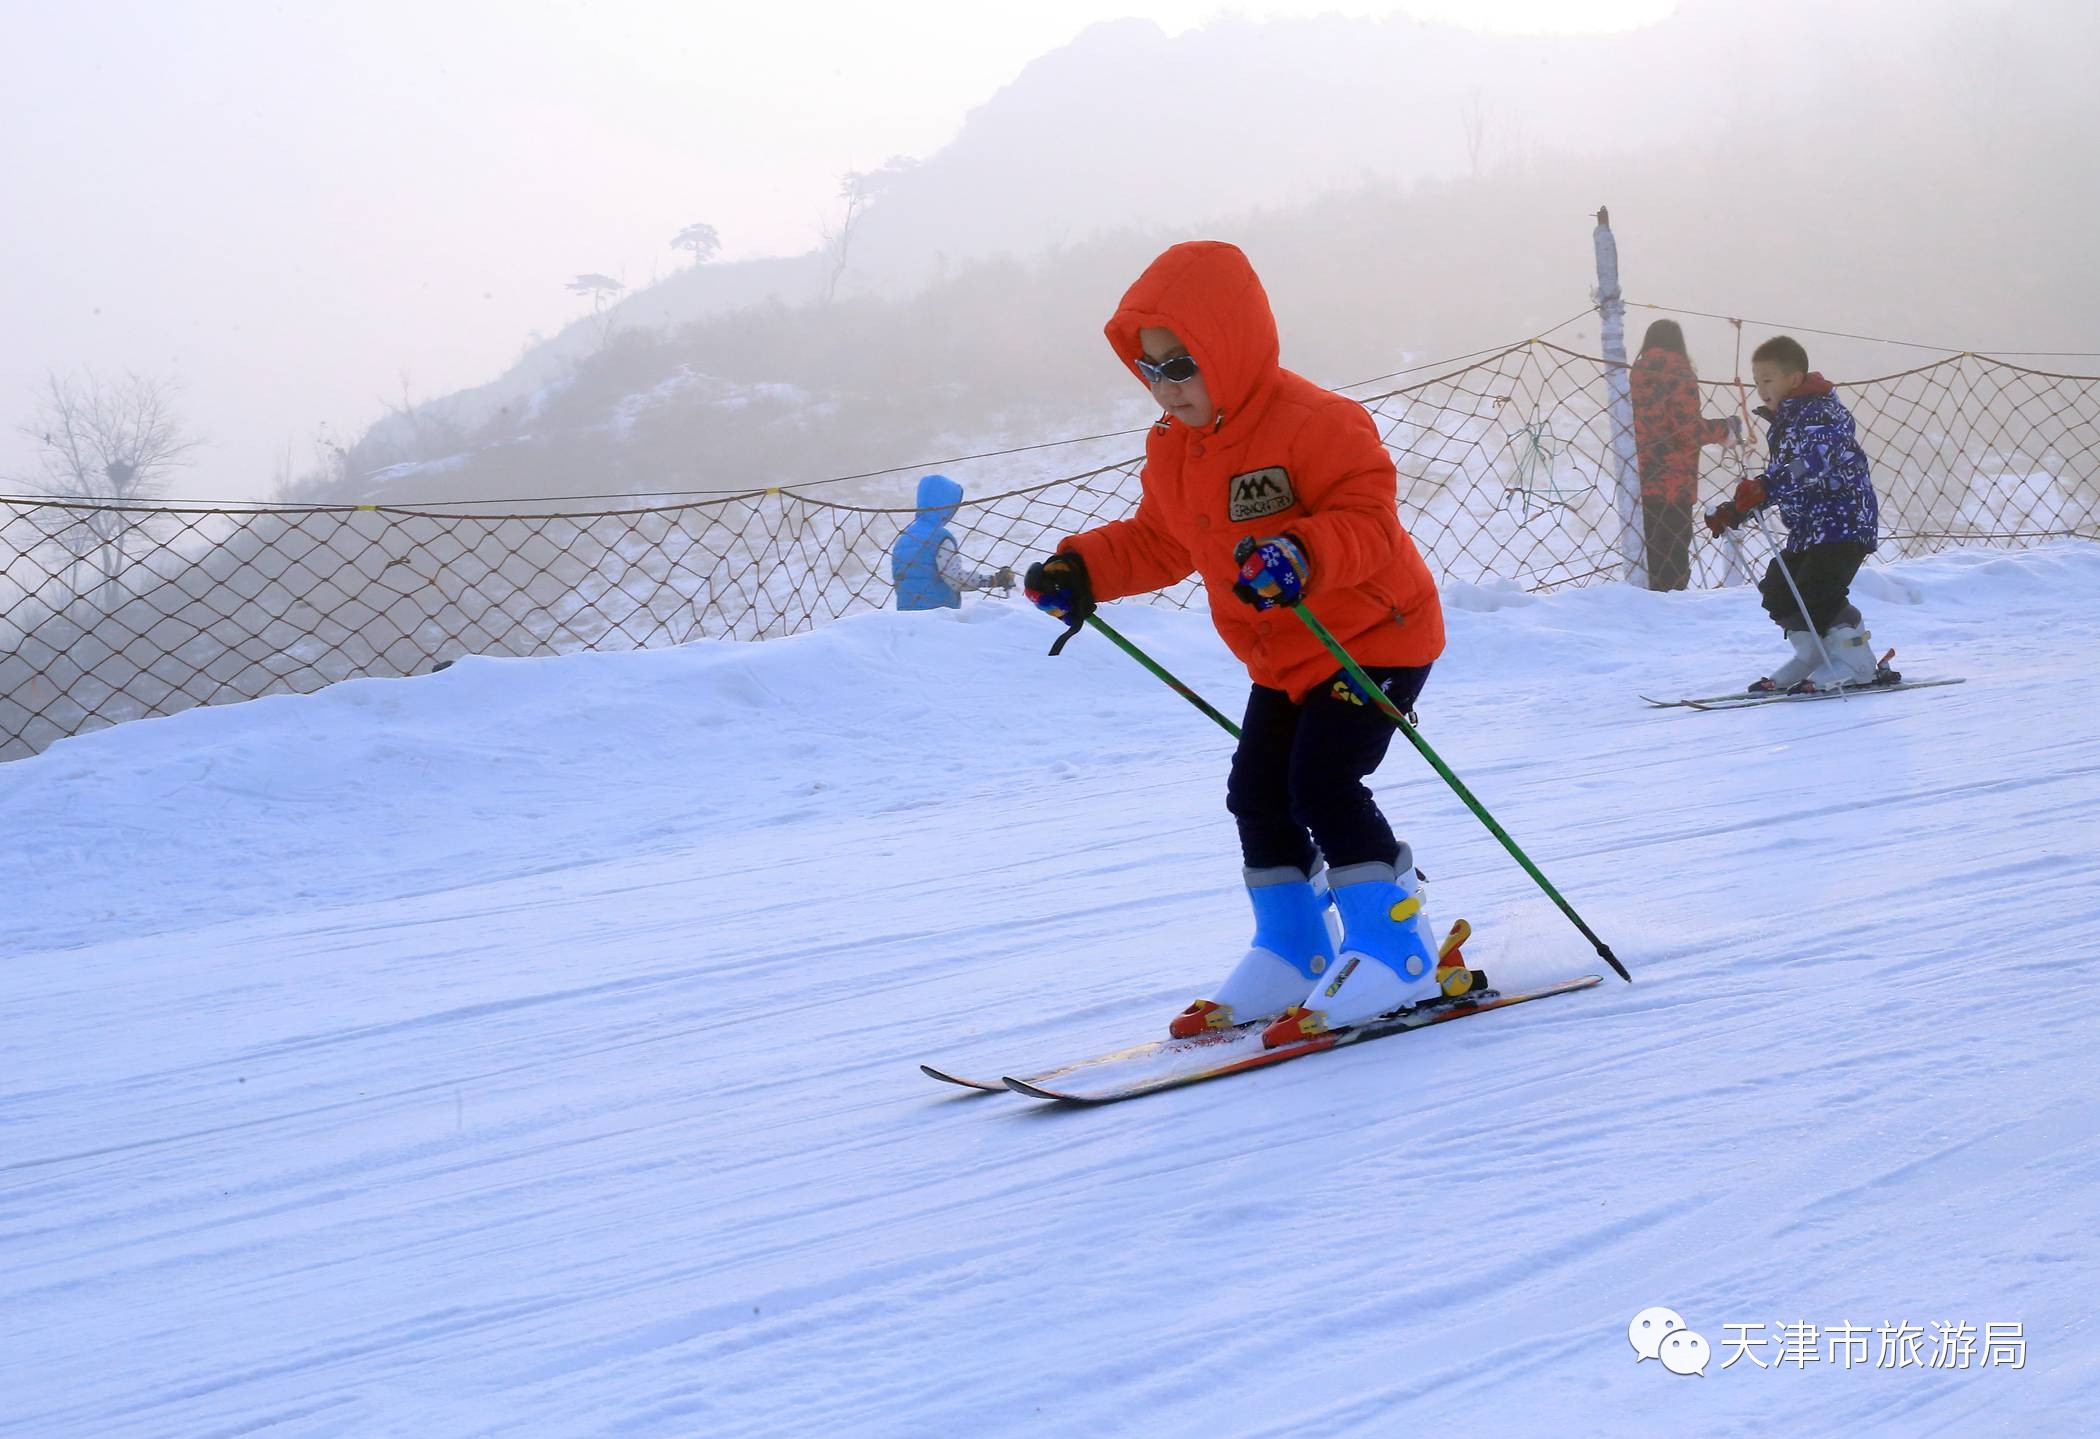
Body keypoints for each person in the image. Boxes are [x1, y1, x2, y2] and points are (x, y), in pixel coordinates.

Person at [1022, 240, 1450, 1049]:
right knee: (1256, 791)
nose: (1166, 386)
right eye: (1149, 370)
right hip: (1284, 657)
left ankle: (1397, 950)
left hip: (1373, 637)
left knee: (1322, 782)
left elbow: (1369, 521)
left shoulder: (1318, 423)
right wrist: (1081, 570)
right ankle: (1294, 950)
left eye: (1180, 363)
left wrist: (1304, 552)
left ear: (1230, 346)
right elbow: (1159, 541)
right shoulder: (1177, 450)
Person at [1704, 335, 1892, 693]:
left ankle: (1858, 662)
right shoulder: (1786, 420)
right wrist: (1740, 508)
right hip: (1809, 528)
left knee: (1817, 591)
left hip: (1843, 522)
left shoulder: (1822, 412)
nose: (1760, 389)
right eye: (1756, 381)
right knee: (1779, 590)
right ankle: (1813, 656)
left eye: (1768, 380)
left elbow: (1813, 463)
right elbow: (1788, 478)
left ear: (1794, 378)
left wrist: (1766, 485)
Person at [1628, 319, 1740, 591]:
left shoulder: (1635, 373)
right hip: (1675, 482)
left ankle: (1647, 608)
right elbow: (1687, 430)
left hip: (1639, 478)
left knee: (1649, 553)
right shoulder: (1679, 371)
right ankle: (1672, 612)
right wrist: (1726, 429)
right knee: (1673, 556)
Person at [891, 473, 1012, 610]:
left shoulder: (904, 537)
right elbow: (955, 579)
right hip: (936, 613)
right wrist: (993, 580)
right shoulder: (939, 537)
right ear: (946, 505)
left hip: (906, 616)